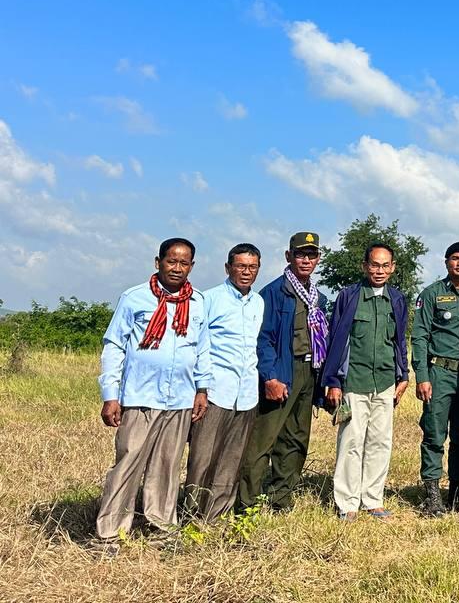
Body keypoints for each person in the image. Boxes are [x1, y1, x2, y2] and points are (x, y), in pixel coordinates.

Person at [96, 238, 210, 545]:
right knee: (128, 461)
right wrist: (110, 394)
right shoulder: (135, 298)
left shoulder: (198, 302)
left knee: (167, 465)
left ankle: (161, 526)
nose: (177, 268)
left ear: (192, 266)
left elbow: (202, 350)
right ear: (158, 262)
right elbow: (114, 346)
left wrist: (202, 389)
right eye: (171, 261)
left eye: (184, 263)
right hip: (140, 396)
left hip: (180, 398)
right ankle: (110, 532)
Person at [237, 232, 330, 512]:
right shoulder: (274, 293)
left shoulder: (318, 298)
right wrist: (271, 377)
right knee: (262, 441)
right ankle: (247, 503)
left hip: (309, 371)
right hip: (282, 371)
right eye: (300, 254)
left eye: (311, 255)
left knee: (296, 438)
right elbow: (263, 339)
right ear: (289, 256)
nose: (306, 260)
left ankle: (281, 498)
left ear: (318, 259)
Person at [322, 243, 410, 521]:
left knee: (380, 442)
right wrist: (333, 380)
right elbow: (335, 340)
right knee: (351, 441)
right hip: (354, 381)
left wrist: (404, 375)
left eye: (385, 265)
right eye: (374, 264)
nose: (379, 270)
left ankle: (373, 499)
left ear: (393, 268)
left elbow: (399, 341)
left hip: (384, 381)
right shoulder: (348, 296)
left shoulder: (397, 299)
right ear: (364, 266)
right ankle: (347, 503)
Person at [183, 243, 264, 521]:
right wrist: (201, 388)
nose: (246, 272)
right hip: (216, 390)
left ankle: (216, 516)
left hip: (246, 394)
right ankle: (191, 514)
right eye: (240, 266)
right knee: (202, 458)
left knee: (232, 459)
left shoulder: (258, 302)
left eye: (252, 267)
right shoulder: (209, 299)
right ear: (228, 267)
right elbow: (197, 346)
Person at [411, 240, 459, 515]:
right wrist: (422, 376)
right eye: (455, 258)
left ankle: (457, 491)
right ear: (446, 262)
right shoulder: (431, 293)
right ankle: (432, 495)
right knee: (434, 434)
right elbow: (420, 336)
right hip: (439, 372)